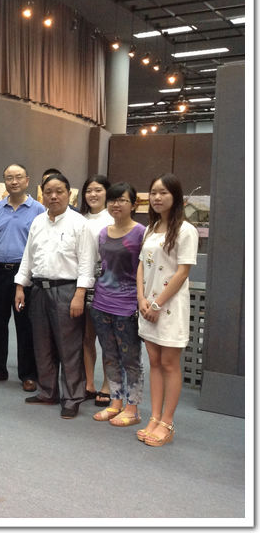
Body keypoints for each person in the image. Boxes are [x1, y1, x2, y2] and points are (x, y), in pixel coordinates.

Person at [15, 173, 96, 419]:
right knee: (42, 345)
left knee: (69, 347)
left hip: (67, 290)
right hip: (39, 289)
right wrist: (20, 286)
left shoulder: (79, 223)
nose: (53, 196)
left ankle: (72, 397)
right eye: (48, 191)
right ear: (42, 194)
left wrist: (80, 294)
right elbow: (28, 257)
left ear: (69, 194)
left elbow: (87, 263)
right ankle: (48, 391)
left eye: (59, 191)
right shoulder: (38, 222)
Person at [136, 173, 198, 447]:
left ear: (176, 197)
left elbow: (182, 272)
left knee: (170, 364)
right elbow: (141, 265)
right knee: (154, 362)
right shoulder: (150, 229)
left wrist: (157, 304)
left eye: (163, 193)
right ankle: (154, 416)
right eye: (153, 192)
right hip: (148, 306)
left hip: (169, 307)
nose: (157, 197)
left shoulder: (186, 230)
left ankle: (167, 422)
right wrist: (141, 299)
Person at [89, 182, 146, 427]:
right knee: (110, 355)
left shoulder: (141, 233)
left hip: (128, 305)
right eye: (113, 200)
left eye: (122, 200)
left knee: (131, 358)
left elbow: (145, 270)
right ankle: (115, 402)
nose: (116, 204)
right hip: (102, 302)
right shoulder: (103, 233)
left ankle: (132, 408)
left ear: (133, 204)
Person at [0, 164, 44, 389]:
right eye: (9, 178)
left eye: (18, 177)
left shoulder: (38, 209)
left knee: (25, 324)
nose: (14, 181)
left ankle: (28, 374)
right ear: (4, 181)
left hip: (24, 273)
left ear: (27, 180)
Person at [79, 174, 114, 407]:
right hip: (83, 280)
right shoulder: (78, 219)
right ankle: (89, 383)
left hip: (108, 281)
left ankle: (108, 386)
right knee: (86, 336)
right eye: (89, 190)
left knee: (107, 337)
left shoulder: (113, 219)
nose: (93, 194)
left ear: (107, 193)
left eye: (98, 190)